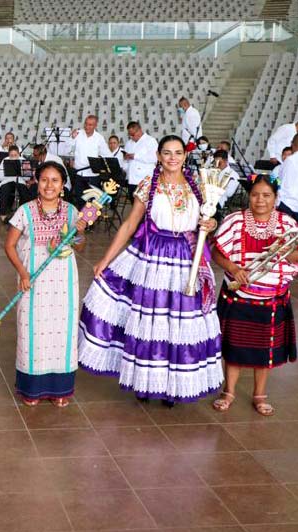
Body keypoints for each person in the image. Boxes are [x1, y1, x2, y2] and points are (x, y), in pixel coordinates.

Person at [78, 135, 223, 407]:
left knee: (179, 322)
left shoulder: (199, 186)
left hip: (186, 258)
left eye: (177, 152)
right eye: (167, 152)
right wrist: (106, 259)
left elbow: (208, 219)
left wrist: (210, 224)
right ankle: (146, 382)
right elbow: (130, 224)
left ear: (185, 156)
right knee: (152, 320)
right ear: (158, 156)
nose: (172, 158)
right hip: (154, 257)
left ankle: (172, 386)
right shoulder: (149, 185)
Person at [211, 176, 298, 417]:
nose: (260, 200)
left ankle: (260, 395)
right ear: (248, 196)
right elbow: (216, 252)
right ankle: (228, 392)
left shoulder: (287, 224)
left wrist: (287, 251)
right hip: (238, 294)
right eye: (255, 195)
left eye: (266, 195)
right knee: (234, 347)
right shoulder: (234, 221)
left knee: (265, 348)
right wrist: (232, 268)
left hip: (272, 297)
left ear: (276, 198)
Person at [4, 162, 88, 407]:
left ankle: (60, 389)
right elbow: (9, 246)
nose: (49, 185)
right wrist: (22, 273)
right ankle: (32, 390)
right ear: (36, 182)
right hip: (32, 280)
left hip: (64, 282)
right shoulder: (25, 211)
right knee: (33, 329)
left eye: (55, 180)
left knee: (63, 331)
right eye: (44, 180)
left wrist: (80, 232)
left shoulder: (72, 211)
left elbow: (80, 246)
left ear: (63, 185)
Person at [69, 115, 112, 208]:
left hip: (93, 176)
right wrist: (72, 138)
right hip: (79, 174)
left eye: (90, 125)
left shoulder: (99, 138)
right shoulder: (78, 134)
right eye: (86, 124)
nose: (87, 127)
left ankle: (91, 217)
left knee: (93, 202)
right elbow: (67, 150)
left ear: (95, 126)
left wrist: (100, 163)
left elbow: (107, 155)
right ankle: (81, 217)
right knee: (80, 200)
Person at [0, 145, 35, 219]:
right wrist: (8, 172)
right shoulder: (5, 160)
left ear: (19, 154)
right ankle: (2, 214)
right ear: (9, 154)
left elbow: (27, 178)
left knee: (24, 192)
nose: (13, 157)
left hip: (20, 181)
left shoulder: (23, 160)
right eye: (11, 155)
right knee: (4, 190)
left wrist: (20, 172)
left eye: (15, 155)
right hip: (7, 180)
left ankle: (23, 214)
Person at [123, 121, 158, 197]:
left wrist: (135, 156)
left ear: (139, 131)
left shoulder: (150, 140)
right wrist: (125, 161)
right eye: (129, 135)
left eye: (133, 134)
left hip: (145, 179)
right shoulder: (128, 143)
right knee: (133, 200)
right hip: (131, 179)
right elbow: (126, 160)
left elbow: (154, 158)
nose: (131, 137)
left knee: (144, 201)